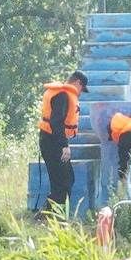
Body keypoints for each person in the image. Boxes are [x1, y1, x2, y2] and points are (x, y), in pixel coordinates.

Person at [36, 70, 88, 216]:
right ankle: (52, 216)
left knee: (64, 180)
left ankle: (49, 215)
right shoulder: (63, 95)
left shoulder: (61, 94)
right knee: (63, 181)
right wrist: (64, 145)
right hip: (53, 142)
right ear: (78, 83)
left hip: (51, 140)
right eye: (82, 89)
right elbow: (56, 122)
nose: (80, 93)